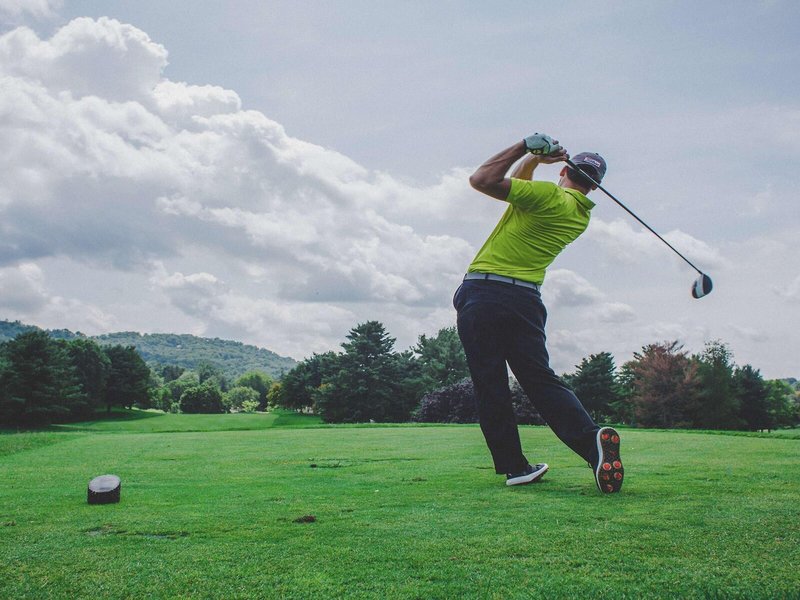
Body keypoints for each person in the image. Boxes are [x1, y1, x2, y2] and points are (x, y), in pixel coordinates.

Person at [453, 132, 624, 493]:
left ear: (564, 170)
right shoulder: (578, 215)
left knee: (490, 383)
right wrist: (533, 160)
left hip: (485, 294)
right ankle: (592, 443)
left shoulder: (547, 195)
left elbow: (481, 180)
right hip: (526, 301)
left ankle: (515, 467)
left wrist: (523, 146)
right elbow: (521, 186)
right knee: (540, 380)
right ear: (594, 187)